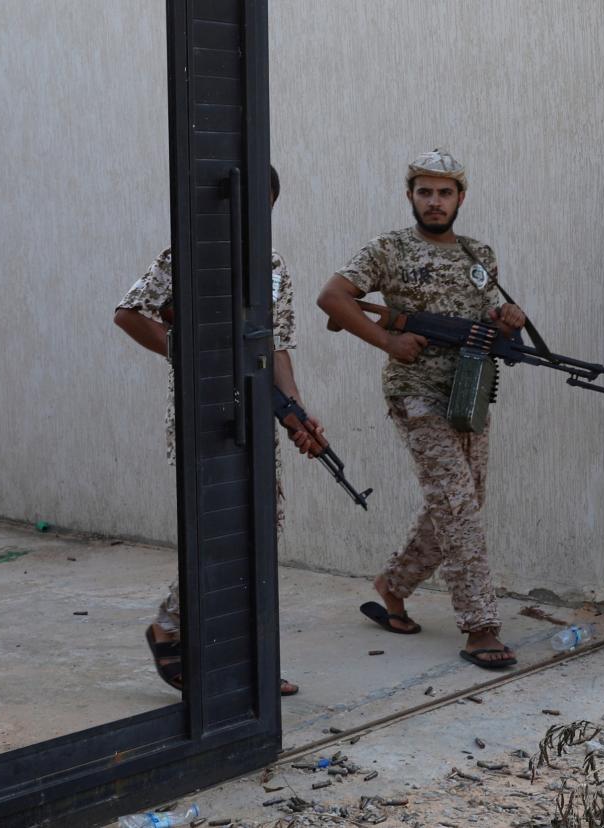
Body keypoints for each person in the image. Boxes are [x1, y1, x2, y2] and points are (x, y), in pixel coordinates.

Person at [114, 164, 323, 695]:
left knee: (263, 529)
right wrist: (188, 355)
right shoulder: (185, 253)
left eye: (266, 202)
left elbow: (275, 349)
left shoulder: (272, 266)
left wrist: (295, 410)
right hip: (201, 412)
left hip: (257, 414)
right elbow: (129, 312)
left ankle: (243, 657)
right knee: (217, 528)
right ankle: (171, 628)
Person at [317, 149, 526, 669]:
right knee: (457, 505)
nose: (435, 202)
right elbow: (333, 298)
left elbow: (486, 322)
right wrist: (387, 343)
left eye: (445, 192)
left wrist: (508, 320)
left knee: (463, 500)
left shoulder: (480, 255)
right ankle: (481, 625)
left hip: (470, 391)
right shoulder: (388, 249)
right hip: (415, 395)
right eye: (425, 192)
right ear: (410, 195)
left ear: (461, 198)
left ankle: (395, 584)